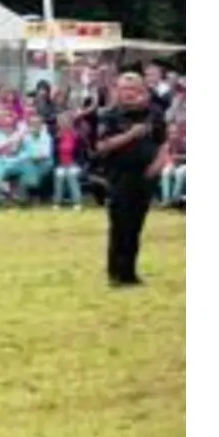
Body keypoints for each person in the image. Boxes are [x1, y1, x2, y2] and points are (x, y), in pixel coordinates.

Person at [93, 71, 168, 287]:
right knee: (119, 225)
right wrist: (130, 135)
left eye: (134, 89)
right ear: (117, 91)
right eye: (125, 89)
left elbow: (163, 142)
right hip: (119, 176)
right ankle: (115, 273)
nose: (129, 93)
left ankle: (129, 273)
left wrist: (159, 163)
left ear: (142, 90)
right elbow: (102, 146)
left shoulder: (153, 113)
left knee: (136, 226)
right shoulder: (109, 115)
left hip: (145, 176)